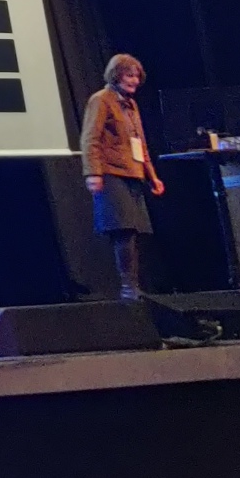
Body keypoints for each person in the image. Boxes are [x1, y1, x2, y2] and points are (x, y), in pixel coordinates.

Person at [81, 54, 164, 300]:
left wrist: (152, 176)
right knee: (123, 230)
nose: (134, 80)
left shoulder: (131, 104)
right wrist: (93, 173)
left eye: (137, 76)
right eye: (129, 75)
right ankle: (128, 288)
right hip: (111, 173)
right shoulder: (101, 100)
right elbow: (90, 139)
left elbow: (140, 144)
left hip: (133, 174)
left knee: (135, 232)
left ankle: (133, 286)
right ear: (116, 75)